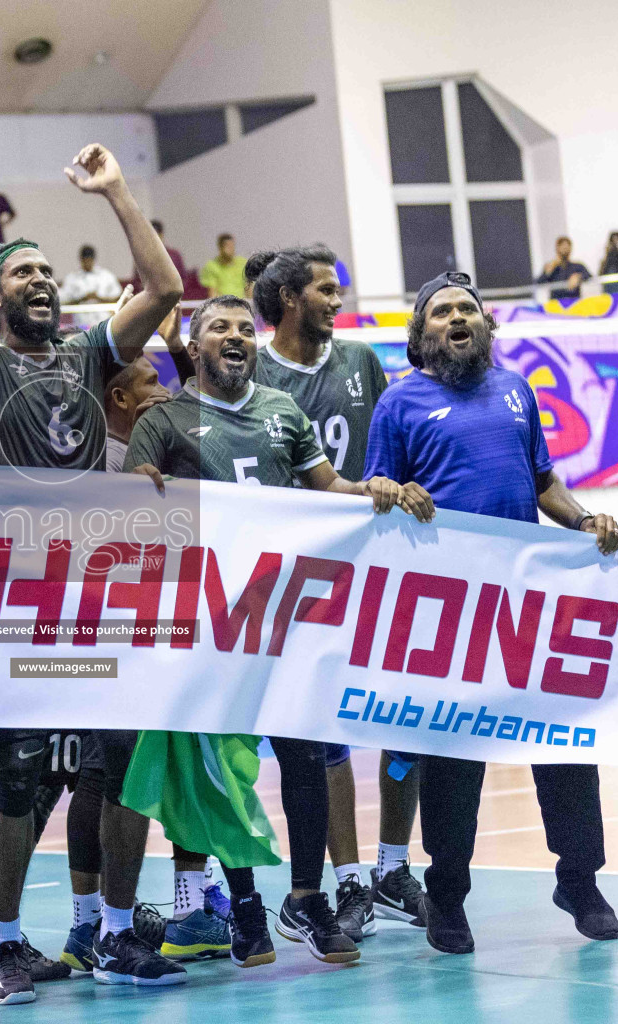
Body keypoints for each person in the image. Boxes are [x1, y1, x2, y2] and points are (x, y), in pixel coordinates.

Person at [0, 136, 185, 1003]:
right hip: (14, 592)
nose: (39, 281)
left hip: (104, 589)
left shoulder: (87, 356)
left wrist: (117, 192)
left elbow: (164, 290)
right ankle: (2, 941)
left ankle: (115, 931)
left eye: (47, 271)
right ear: (2, 300)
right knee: (19, 773)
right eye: (23, 275)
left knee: (122, 764)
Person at [124, 295, 430, 970]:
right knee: (223, 773)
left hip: (282, 619)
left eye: (242, 329)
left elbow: (327, 486)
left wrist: (376, 488)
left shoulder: (282, 412)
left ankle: (305, 897)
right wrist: (140, 489)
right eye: (218, 329)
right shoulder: (164, 420)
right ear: (194, 348)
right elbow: (132, 506)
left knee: (305, 755)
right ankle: (242, 905)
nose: (234, 337)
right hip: (208, 629)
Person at [368, 270, 618, 956]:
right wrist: (393, 489)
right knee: (454, 758)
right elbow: (375, 497)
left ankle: (580, 879)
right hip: (450, 614)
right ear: (421, 336)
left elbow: (543, 482)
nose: (458, 318)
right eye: (443, 312)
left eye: (468, 309)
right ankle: (447, 894)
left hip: (526, 604)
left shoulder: (516, 390)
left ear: (485, 326)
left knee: (566, 745)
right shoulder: (398, 404)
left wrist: (586, 519)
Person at [244, 244, 424, 942]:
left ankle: (391, 865)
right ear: (288, 297)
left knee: (407, 717)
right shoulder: (251, 369)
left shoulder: (361, 363)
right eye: (325, 288)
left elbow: (391, 452)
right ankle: (344, 881)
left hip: (372, 563)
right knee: (322, 733)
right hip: (286, 578)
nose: (337, 299)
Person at [536, 236, 591, 303]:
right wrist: (547, 272)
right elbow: (539, 282)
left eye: (567, 247)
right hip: (556, 306)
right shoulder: (551, 267)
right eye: (562, 246)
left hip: (574, 304)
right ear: (557, 249)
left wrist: (578, 277)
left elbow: (589, 276)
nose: (565, 249)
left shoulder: (577, 266)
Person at [198, 233, 247, 298]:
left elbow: (249, 287)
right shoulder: (211, 266)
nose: (230, 249)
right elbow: (212, 292)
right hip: (222, 304)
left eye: (232, 246)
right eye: (227, 246)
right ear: (220, 247)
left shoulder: (243, 263)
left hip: (242, 304)